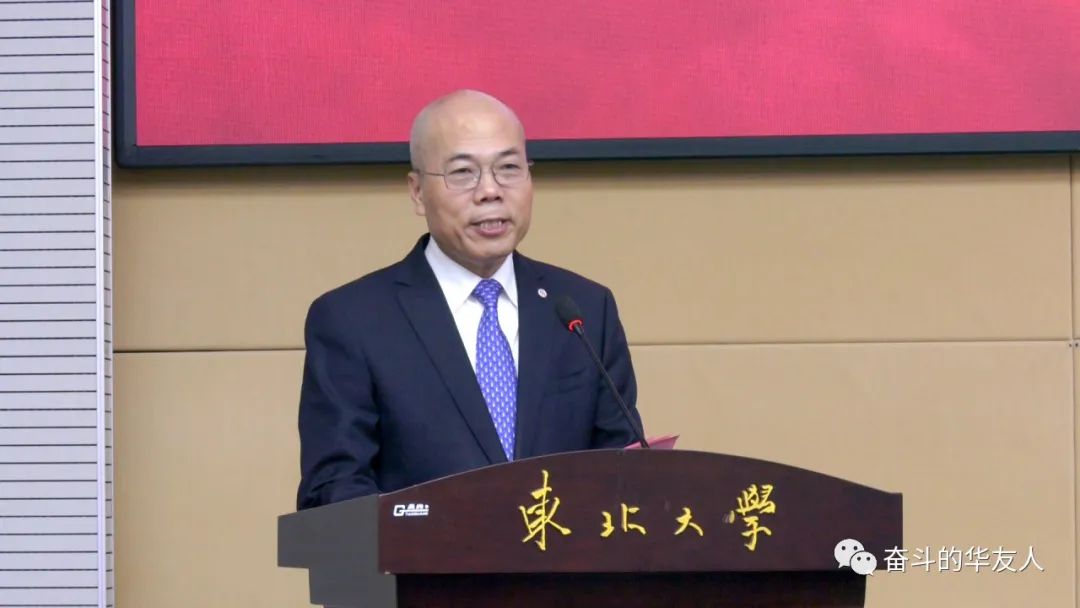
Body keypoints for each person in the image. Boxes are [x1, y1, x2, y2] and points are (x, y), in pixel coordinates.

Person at [296, 90, 643, 509]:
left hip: (562, 552)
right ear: (417, 192)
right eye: (463, 173)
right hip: (421, 553)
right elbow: (335, 488)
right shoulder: (354, 321)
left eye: (509, 168)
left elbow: (624, 470)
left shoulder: (584, 310)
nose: (490, 191)